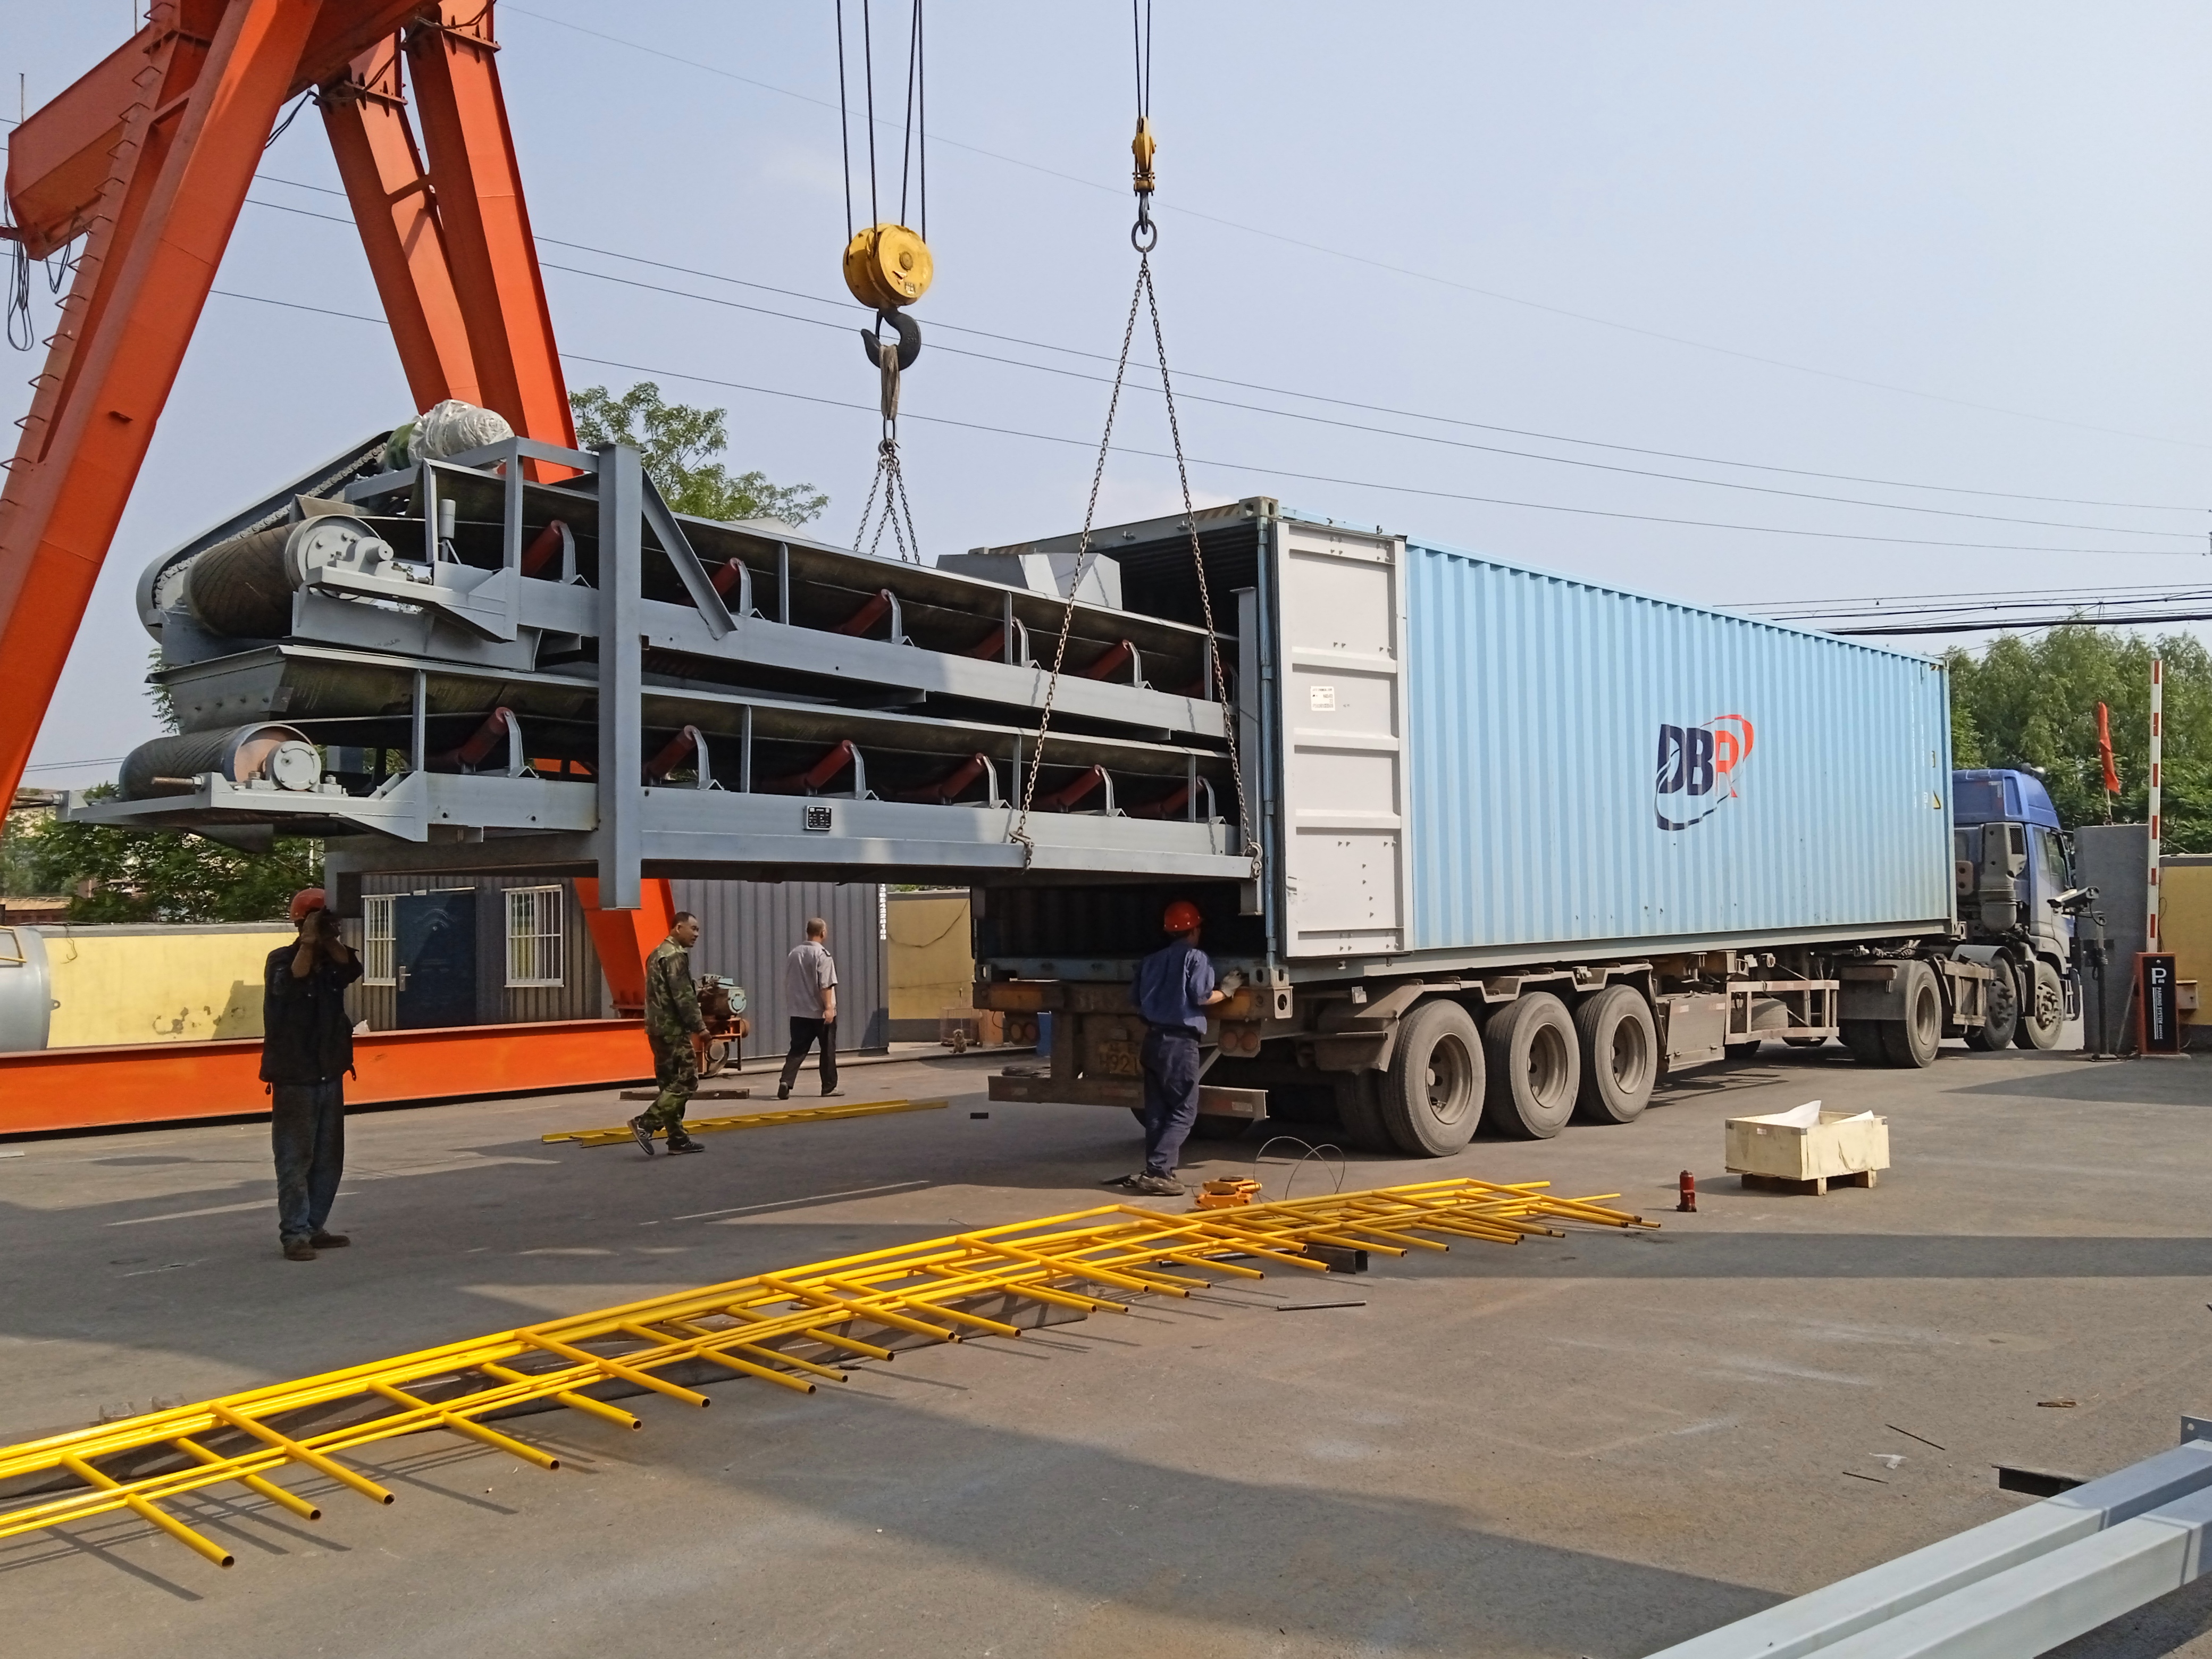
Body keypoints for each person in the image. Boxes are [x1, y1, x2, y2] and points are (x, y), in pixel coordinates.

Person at [1105, 899, 1243, 1197]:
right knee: (1184, 1110)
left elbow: (1135, 999)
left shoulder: (1151, 961)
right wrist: (1226, 991)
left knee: (1157, 1111)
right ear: (1194, 930)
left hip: (1153, 1040)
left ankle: (1158, 1171)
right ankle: (1157, 1172)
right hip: (1180, 1045)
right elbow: (1201, 997)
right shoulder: (1196, 958)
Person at [262, 887, 363, 1261]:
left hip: (329, 1072)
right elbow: (293, 982)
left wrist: (330, 938)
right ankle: (294, 1235)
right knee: (295, 1158)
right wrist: (308, 941)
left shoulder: (332, 962)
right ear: (301, 923)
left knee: (328, 1158)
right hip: (296, 1076)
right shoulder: (281, 959)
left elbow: (351, 969)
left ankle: (314, 1226)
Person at [631, 912, 709, 1155]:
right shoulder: (675, 956)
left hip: (656, 1027)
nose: (697, 934)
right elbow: (683, 997)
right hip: (673, 1029)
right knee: (687, 1080)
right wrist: (701, 1027)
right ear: (678, 928)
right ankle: (645, 1123)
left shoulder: (657, 954)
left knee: (669, 1084)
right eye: (693, 929)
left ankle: (677, 1139)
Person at [777, 917, 842, 1100]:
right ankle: (828, 1087)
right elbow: (826, 985)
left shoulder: (794, 953)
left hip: (799, 1012)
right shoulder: (822, 955)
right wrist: (829, 1008)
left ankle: (786, 1081)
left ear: (808, 932)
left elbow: (789, 982)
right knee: (827, 1049)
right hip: (820, 1013)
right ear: (823, 933)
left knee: (797, 1049)